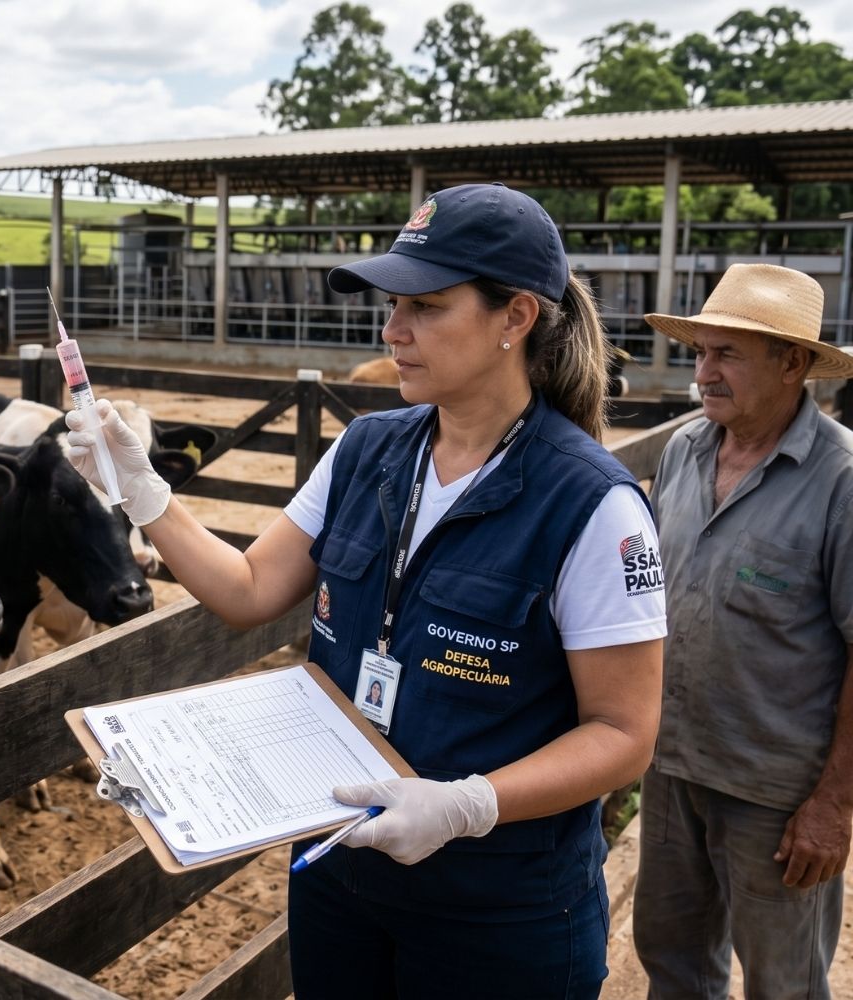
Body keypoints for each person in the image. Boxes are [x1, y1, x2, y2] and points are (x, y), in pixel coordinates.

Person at [66, 183, 665, 998]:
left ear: (516, 318)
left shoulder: (591, 504)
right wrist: (145, 495)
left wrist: (467, 805)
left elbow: (624, 732)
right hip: (340, 875)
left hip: (497, 913)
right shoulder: (366, 450)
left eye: (426, 306)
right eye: (392, 305)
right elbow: (249, 588)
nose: (392, 331)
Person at [635, 263, 853, 998]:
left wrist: (834, 804)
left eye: (726, 354)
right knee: (671, 960)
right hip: (671, 765)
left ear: (792, 364)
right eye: (701, 352)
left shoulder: (842, 480)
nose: (703, 373)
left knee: (784, 983)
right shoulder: (684, 451)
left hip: (776, 793)